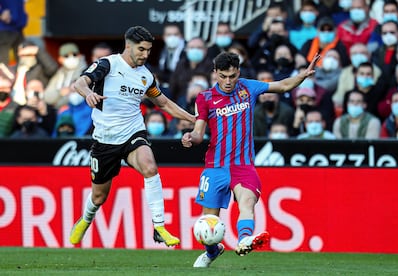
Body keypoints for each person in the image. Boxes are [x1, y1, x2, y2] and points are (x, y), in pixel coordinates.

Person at [181, 51, 319, 267]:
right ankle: (213, 250)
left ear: (239, 73)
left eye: (233, 76)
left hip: (243, 165)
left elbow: (282, 86)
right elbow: (199, 132)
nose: (228, 82)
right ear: (215, 73)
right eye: (223, 76)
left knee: (247, 203)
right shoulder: (205, 98)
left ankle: (244, 239)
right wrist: (191, 137)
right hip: (215, 167)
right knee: (206, 224)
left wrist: (302, 76)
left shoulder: (248, 87)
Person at [69, 25, 195, 247]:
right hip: (105, 139)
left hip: (133, 133)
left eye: (148, 50)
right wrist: (88, 94)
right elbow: (79, 82)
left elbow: (163, 103)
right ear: (128, 46)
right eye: (142, 49)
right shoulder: (108, 64)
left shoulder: (146, 76)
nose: (146, 54)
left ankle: (159, 227)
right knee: (99, 196)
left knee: (150, 167)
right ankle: (86, 219)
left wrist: (194, 120)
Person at [44, 42, 87, 109]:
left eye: (74, 54)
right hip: (60, 113)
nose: (71, 58)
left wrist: (56, 103)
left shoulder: (85, 71)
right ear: (60, 59)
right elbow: (47, 97)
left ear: (79, 55)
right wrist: (60, 92)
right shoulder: (59, 73)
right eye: (66, 56)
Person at [0, 0, 27, 65]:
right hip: (5, 29)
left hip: (19, 29)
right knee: (3, 62)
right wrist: (1, 13)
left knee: (23, 60)